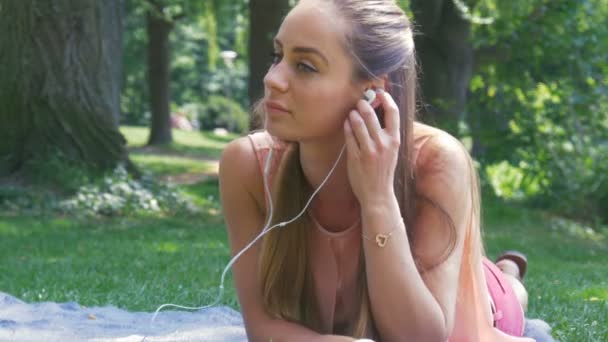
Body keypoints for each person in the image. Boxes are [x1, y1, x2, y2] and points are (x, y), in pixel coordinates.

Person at [219, 0, 554, 340]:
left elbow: (421, 338)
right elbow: (262, 329)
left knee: (505, 293)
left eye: (304, 66)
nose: (273, 79)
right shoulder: (248, 166)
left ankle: (508, 272)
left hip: (479, 299)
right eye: (278, 56)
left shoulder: (436, 161)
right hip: (435, 263)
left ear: (371, 92)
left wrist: (377, 198)